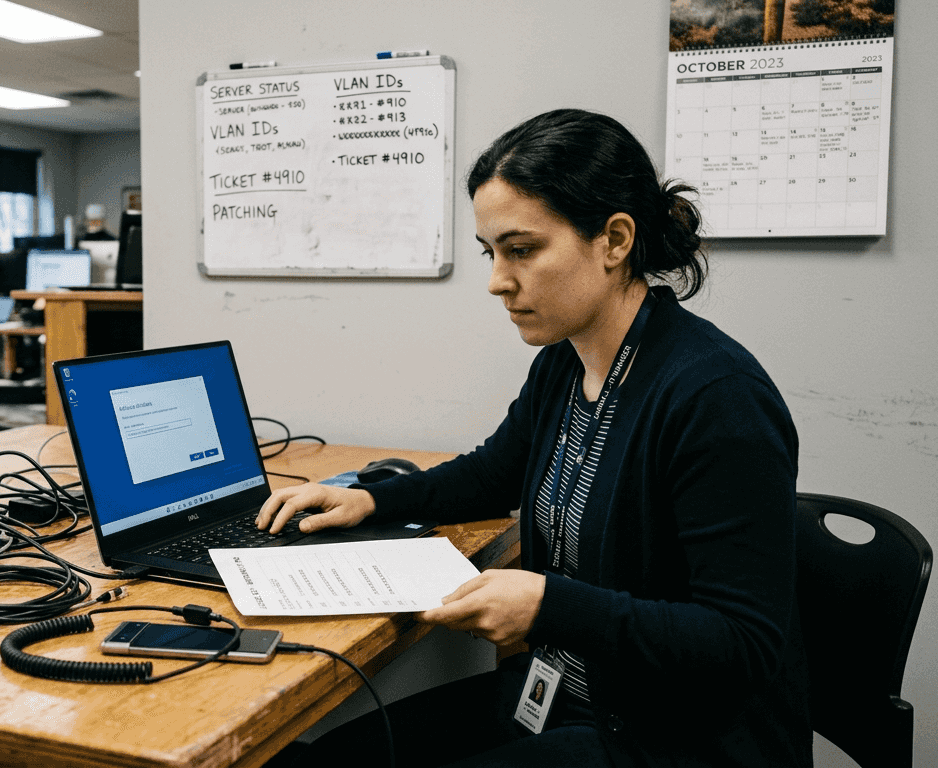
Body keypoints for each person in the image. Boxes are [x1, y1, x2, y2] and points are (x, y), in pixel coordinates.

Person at [258, 110, 809, 767]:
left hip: (672, 739)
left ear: (614, 240)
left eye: (521, 250)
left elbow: (741, 643)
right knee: (322, 760)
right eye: (490, 252)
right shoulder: (564, 362)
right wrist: (372, 500)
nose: (497, 280)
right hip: (571, 694)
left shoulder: (716, 396)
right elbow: (494, 473)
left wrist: (550, 606)